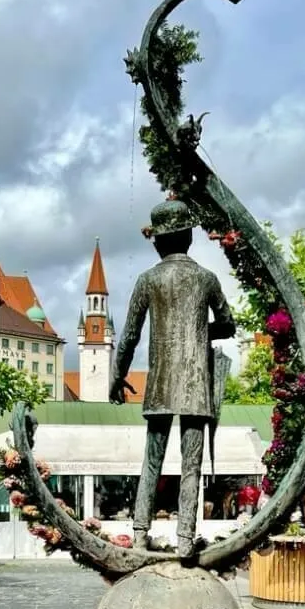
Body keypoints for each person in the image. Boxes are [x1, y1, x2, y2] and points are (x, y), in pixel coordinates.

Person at [110, 198, 236, 559]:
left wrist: (116, 379)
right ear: (190, 237)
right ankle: (184, 539)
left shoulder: (148, 279)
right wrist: (199, 331)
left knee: (151, 462)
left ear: (157, 241)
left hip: (161, 386)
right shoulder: (206, 279)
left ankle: (138, 534)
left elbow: (130, 336)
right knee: (190, 465)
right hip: (197, 388)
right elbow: (228, 324)